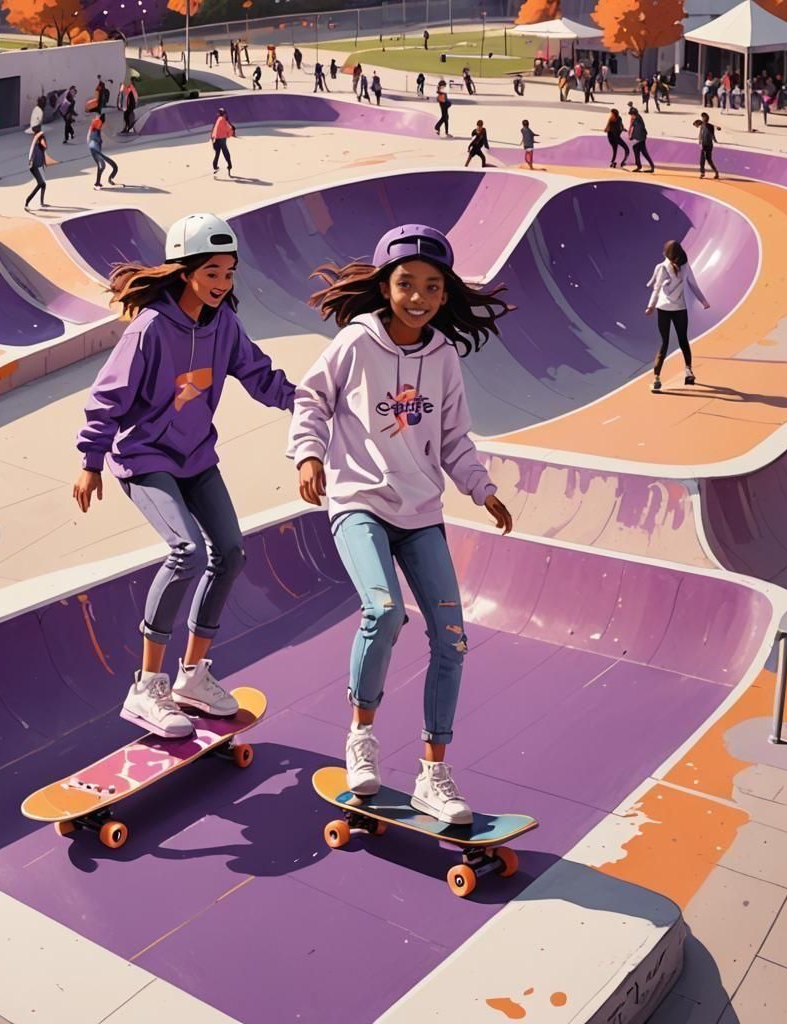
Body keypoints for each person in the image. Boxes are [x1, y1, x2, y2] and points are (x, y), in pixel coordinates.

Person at [289, 224, 514, 818]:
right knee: (383, 610)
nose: (418, 296)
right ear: (385, 286)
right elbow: (311, 399)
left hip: (422, 513)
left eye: (431, 287)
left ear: (445, 295)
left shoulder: (441, 356)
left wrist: (482, 489)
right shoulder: (355, 343)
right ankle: (361, 739)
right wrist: (309, 455)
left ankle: (433, 775)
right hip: (358, 502)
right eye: (406, 284)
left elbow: (453, 437)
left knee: (453, 641)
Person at [73, 213, 296, 738]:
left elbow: (259, 375)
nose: (222, 284)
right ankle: (147, 683)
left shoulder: (225, 325)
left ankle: (191, 676)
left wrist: (306, 405)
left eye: (230, 273)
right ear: (186, 270)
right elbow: (107, 399)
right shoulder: (148, 328)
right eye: (213, 272)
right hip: (144, 458)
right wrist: (89, 461)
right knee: (186, 552)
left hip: (196, 456)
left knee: (232, 551)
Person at [646, 240, 708, 393]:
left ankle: (656, 379)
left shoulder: (661, 267)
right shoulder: (685, 266)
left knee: (664, 343)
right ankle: (688, 371)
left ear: (666, 254)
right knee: (683, 340)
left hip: (664, 309)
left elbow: (656, 289)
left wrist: (650, 306)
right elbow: (693, 284)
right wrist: (704, 301)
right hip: (680, 309)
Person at [88, 112, 118, 189]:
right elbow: (96, 134)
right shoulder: (97, 125)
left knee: (101, 166)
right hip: (95, 149)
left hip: (95, 148)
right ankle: (98, 183)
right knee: (103, 165)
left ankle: (97, 182)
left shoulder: (96, 127)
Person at [25, 130, 53, 210]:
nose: (44, 142)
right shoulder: (35, 145)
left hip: (40, 167)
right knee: (41, 183)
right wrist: (39, 134)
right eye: (43, 141)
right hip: (34, 167)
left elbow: (45, 157)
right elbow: (34, 141)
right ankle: (27, 201)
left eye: (45, 141)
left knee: (43, 184)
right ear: (39, 140)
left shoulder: (42, 147)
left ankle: (42, 203)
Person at [693, 112, 720, 179]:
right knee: (702, 160)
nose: (703, 119)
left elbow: (713, 135)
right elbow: (700, 134)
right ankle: (702, 173)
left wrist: (716, 141)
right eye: (703, 118)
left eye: (704, 118)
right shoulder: (702, 125)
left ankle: (716, 172)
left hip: (709, 145)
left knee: (709, 160)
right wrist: (699, 142)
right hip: (703, 145)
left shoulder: (710, 126)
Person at [628, 105, 654, 173]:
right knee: (636, 150)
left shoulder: (638, 120)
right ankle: (639, 166)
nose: (631, 116)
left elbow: (639, 130)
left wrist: (632, 137)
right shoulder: (636, 119)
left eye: (631, 115)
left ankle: (651, 167)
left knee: (644, 152)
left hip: (641, 139)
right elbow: (633, 128)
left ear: (634, 114)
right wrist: (631, 136)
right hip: (639, 138)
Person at [210, 107, 235, 176]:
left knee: (217, 153)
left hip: (215, 140)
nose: (226, 115)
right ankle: (229, 165)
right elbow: (228, 129)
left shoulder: (218, 119)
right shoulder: (223, 120)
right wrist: (232, 130)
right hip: (221, 139)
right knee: (225, 152)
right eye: (225, 113)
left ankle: (215, 166)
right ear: (224, 114)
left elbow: (214, 130)